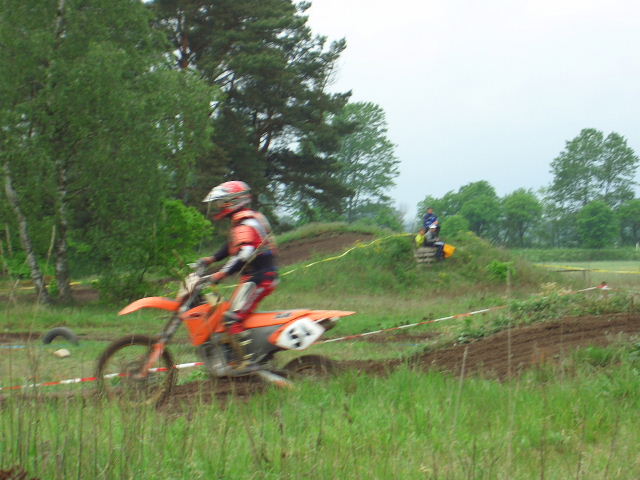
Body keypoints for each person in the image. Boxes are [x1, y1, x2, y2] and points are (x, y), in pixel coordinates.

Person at [197, 180, 278, 366]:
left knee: (232, 319)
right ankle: (237, 356)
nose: (218, 206)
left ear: (233, 201)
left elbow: (244, 253)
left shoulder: (246, 222)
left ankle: (245, 363)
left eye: (221, 202)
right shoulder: (246, 220)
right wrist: (211, 259)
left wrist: (220, 274)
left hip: (261, 278)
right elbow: (232, 245)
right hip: (255, 276)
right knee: (227, 314)